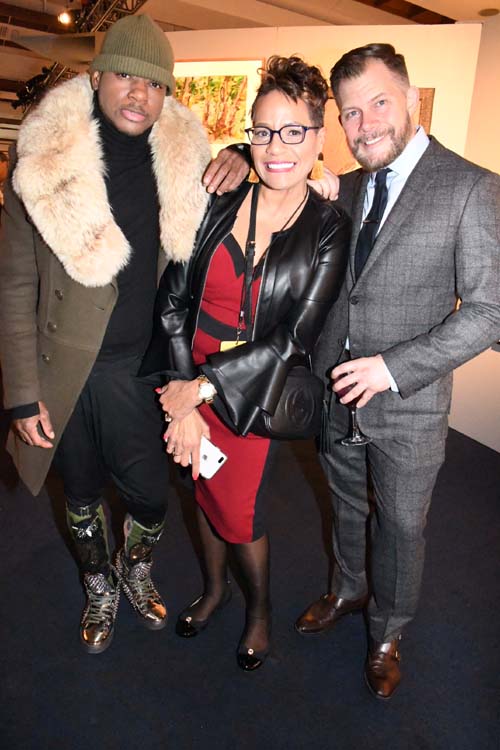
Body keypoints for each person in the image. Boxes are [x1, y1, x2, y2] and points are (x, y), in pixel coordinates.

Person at [0, 14, 249, 654]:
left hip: (146, 370)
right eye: (126, 77)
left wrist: (243, 154)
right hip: (68, 371)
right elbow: (14, 284)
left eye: (155, 84)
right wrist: (23, 394)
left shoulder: (189, 164)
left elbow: (267, 198)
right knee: (79, 490)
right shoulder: (41, 162)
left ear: (168, 94)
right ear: (97, 75)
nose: (140, 94)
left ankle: (133, 569)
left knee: (150, 494)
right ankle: (98, 583)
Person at [295, 44, 500, 699]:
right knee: (347, 508)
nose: (365, 124)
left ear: (411, 99)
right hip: (335, 396)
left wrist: (392, 367)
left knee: (403, 528)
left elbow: (491, 312)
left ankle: (387, 631)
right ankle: (349, 590)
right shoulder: (345, 188)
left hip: (409, 406)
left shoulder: (471, 186)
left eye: (379, 103)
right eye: (350, 112)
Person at [142, 56, 350, 671]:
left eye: (294, 132)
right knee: (197, 490)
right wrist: (181, 387)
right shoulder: (216, 199)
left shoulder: (328, 226)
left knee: (238, 510)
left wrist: (200, 393)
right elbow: (173, 301)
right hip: (185, 370)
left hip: (251, 387)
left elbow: (293, 337)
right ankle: (213, 590)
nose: (276, 146)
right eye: (262, 131)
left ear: (318, 136)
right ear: (249, 134)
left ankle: (257, 613)